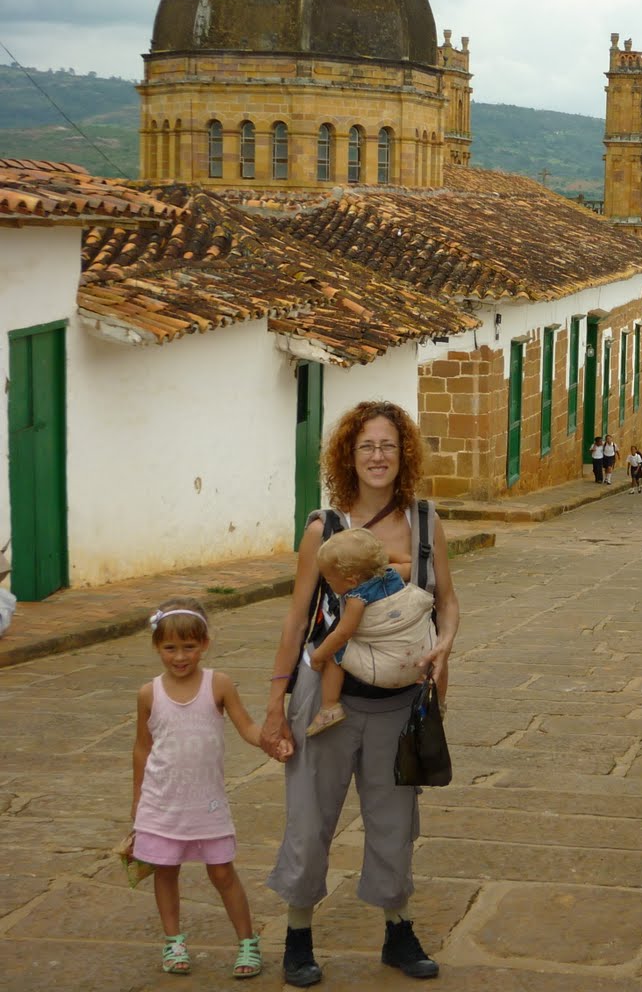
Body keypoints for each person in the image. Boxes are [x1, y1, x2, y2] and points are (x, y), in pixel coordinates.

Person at [259, 401, 458, 986]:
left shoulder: (426, 522)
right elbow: (297, 619)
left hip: (402, 702)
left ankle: (398, 931)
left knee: (396, 821)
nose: (378, 456)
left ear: (404, 455)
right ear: (350, 454)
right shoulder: (326, 527)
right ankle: (298, 935)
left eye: (389, 446)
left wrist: (445, 645)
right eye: (367, 446)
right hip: (327, 699)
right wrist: (275, 704)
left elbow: (446, 601)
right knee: (310, 820)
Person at [123, 597, 264, 978]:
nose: (180, 656)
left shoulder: (218, 684)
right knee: (165, 871)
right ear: (157, 647)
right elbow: (142, 747)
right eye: (170, 648)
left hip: (206, 803)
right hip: (161, 801)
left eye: (189, 647)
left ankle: (248, 943)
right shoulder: (148, 693)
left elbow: (247, 727)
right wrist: (138, 802)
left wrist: (270, 740)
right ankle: (173, 942)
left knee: (222, 873)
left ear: (205, 644)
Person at [304, 528, 436, 737]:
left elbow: (343, 633)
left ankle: (329, 708)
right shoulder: (393, 574)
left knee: (334, 653)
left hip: (387, 671)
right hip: (420, 663)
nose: (329, 584)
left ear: (350, 581)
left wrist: (319, 655)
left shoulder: (357, 598)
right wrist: (380, 557)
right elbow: (410, 561)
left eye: (329, 581)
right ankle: (439, 701)